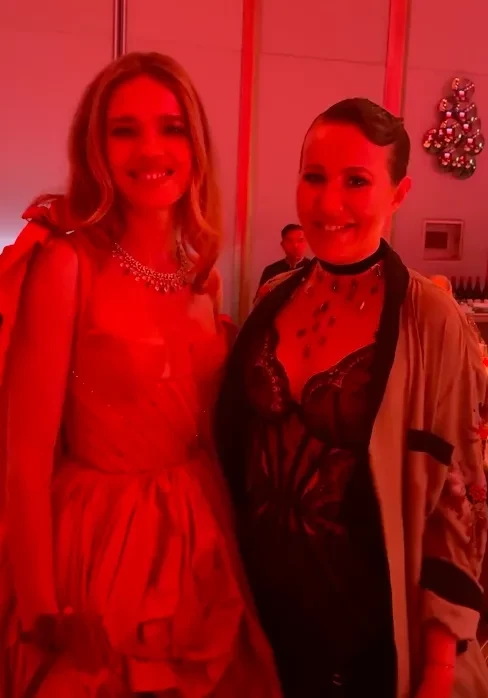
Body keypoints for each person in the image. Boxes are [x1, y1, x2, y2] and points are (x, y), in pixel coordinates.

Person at [0, 52, 281, 698]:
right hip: (98, 543)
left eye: (171, 128)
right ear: (95, 148)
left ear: (195, 144)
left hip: (199, 536)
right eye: (124, 130)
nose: (150, 149)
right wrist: (40, 603)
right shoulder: (68, 265)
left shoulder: (203, 273)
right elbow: (25, 454)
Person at [215, 98, 488, 698]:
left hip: (365, 643)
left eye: (356, 182)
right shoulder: (273, 298)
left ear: (399, 193)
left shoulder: (431, 320)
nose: (328, 203)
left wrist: (438, 671)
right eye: (314, 177)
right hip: (257, 632)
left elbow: (459, 503)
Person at [258, 223, 309, 288]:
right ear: (282, 245)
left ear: (306, 243)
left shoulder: (313, 268)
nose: (295, 245)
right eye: (290, 241)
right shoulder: (271, 271)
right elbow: (262, 294)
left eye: (300, 241)